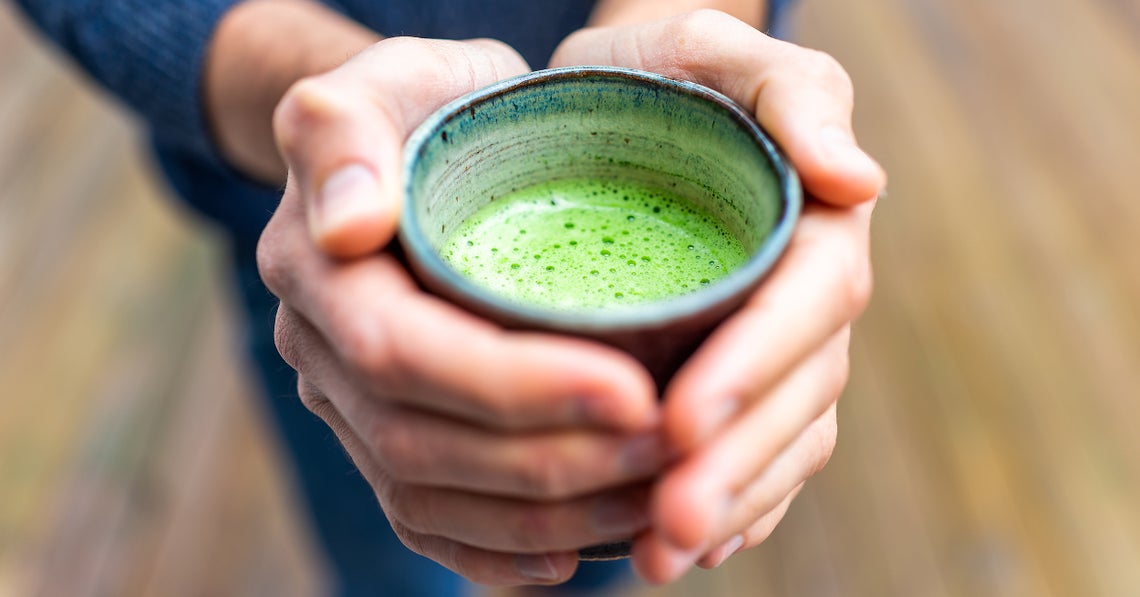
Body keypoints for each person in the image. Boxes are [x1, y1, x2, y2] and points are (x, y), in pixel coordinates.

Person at [11, 0, 884, 594]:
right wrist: (319, 109)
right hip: (329, 253)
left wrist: (682, 35)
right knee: (396, 558)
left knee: (613, 538)